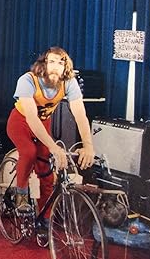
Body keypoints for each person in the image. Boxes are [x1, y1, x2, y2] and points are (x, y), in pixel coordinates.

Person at [6, 47, 94, 213]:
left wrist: (88, 145)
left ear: (66, 67)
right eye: (51, 61)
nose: (56, 66)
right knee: (29, 152)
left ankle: (46, 218)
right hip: (20, 122)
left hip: (43, 123)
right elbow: (32, 118)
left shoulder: (69, 82)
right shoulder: (28, 80)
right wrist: (53, 146)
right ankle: (21, 194)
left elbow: (80, 115)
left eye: (61, 63)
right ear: (44, 64)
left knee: (46, 169)